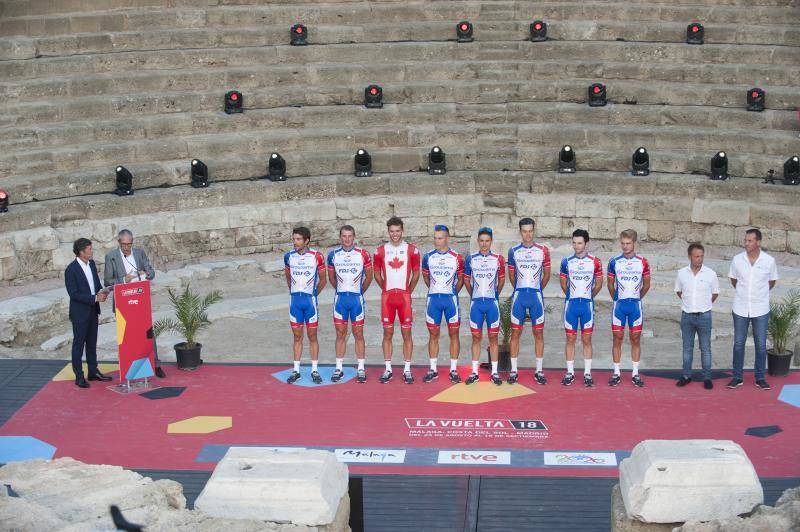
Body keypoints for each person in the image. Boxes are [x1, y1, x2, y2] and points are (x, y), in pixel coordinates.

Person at [103, 229, 165, 378]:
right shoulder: (111, 257)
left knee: (148, 334)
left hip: (141, 301)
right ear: (119, 242)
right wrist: (125, 280)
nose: (126, 247)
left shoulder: (139, 253)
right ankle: (129, 367)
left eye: (129, 244)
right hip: (123, 304)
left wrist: (147, 273)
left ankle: (155, 364)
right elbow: (107, 281)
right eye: (123, 244)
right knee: (127, 337)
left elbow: (151, 271)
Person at [727, 228, 778, 390]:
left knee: (761, 345)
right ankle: (737, 377)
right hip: (741, 307)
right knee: (739, 343)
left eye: (750, 241)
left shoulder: (769, 261)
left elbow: (772, 281)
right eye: (745, 240)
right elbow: (733, 280)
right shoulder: (737, 260)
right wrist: (745, 293)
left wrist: (758, 294)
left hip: (761, 308)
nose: (746, 243)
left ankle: (760, 377)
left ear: (758, 242)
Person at [373, 217, 421, 384]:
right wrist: (385, 288)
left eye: (397, 231)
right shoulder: (380, 251)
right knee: (388, 333)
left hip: (404, 297)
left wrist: (408, 291)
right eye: (392, 231)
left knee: (407, 333)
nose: (395, 234)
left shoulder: (412, 250)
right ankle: (388, 369)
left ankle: (407, 370)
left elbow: (416, 273)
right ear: (388, 232)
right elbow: (376, 274)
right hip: (387, 298)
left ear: (402, 231)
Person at [507, 217, 551, 385]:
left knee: (538, 333)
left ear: (534, 231)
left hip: (536, 296)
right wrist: (520, 288)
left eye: (530, 231)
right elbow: (512, 276)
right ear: (520, 232)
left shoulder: (543, 250)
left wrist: (537, 289)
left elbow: (546, 274)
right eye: (524, 231)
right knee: (515, 333)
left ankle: (539, 371)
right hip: (519, 295)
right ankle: (513, 370)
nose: (527, 235)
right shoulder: (513, 251)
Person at [327, 225, 373, 383]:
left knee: (358, 334)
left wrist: (359, 292)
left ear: (354, 237)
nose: (347, 239)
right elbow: (331, 278)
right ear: (340, 237)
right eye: (344, 236)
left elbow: (369, 277)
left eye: (349, 236)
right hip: (340, 299)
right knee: (340, 334)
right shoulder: (333, 255)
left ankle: (361, 368)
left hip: (356, 300)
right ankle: (338, 368)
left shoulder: (363, 254)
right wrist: (341, 290)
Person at [65, 238, 111, 388]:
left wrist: (103, 291)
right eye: (90, 249)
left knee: (92, 343)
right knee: (78, 345)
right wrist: (94, 298)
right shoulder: (71, 270)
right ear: (81, 252)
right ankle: (79, 376)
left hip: (93, 309)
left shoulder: (91, 264)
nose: (92, 251)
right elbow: (74, 294)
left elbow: (95, 283)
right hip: (80, 313)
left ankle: (93, 371)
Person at [421, 225, 465, 384]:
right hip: (433, 300)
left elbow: (460, 280)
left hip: (450, 300)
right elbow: (426, 278)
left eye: (440, 238)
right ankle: (433, 369)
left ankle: (453, 369)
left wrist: (451, 291)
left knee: (454, 334)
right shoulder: (428, 257)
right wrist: (436, 290)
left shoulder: (456, 257)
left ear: (447, 238)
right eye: (435, 237)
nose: (436, 241)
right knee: (433, 335)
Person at [559, 229, 603, 387]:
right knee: (570, 339)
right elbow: (563, 284)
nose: (576, 246)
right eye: (574, 242)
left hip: (587, 305)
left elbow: (599, 283)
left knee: (586, 339)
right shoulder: (566, 262)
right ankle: (570, 372)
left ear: (586, 244)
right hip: (571, 305)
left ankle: (587, 373)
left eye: (579, 243)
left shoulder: (595, 262)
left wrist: (588, 296)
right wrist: (572, 296)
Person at [607, 229, 650, 387]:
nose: (625, 246)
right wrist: (617, 299)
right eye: (623, 243)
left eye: (628, 243)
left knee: (635, 339)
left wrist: (637, 298)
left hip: (635, 306)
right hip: (619, 305)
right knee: (617, 339)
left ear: (634, 243)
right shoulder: (614, 262)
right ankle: (616, 373)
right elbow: (610, 285)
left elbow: (647, 284)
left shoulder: (643, 262)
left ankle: (635, 373)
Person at [284, 227, 327, 385]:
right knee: (297, 337)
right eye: (294, 239)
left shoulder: (317, 256)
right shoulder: (288, 256)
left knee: (312, 336)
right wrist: (294, 292)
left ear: (306, 240)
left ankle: (314, 370)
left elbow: (323, 280)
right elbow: (288, 276)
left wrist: (314, 294)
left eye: (298, 239)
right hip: (295, 301)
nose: (295, 242)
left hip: (310, 302)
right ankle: (296, 370)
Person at [674, 243, 720, 390]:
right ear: (689, 257)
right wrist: (690, 304)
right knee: (687, 348)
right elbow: (679, 291)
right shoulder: (681, 273)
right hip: (687, 316)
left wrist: (703, 305)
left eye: (701, 256)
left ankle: (707, 377)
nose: (699, 259)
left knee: (705, 348)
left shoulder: (710, 274)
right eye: (696, 256)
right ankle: (686, 375)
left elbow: (715, 293)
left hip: (704, 316)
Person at [463, 227, 505, 386]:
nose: (484, 244)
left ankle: (494, 373)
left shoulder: (498, 259)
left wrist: (494, 295)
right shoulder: (471, 258)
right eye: (481, 241)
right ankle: (474, 372)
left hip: (491, 303)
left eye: (487, 241)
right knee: (476, 338)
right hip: (476, 304)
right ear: (477, 242)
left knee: (493, 338)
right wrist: (474, 295)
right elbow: (467, 280)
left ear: (491, 241)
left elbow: (501, 281)